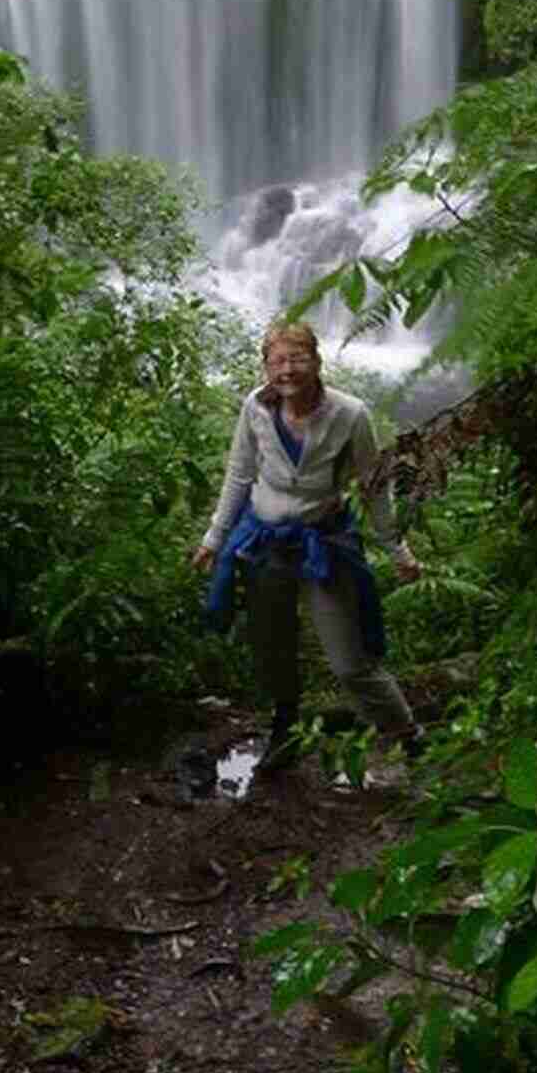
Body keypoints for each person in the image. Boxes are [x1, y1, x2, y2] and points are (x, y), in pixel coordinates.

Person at [191, 321, 420, 771]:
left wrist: (399, 551)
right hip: (265, 542)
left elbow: (373, 489)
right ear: (265, 367)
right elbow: (239, 473)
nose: (287, 370)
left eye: (297, 359)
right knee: (273, 647)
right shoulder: (255, 408)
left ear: (317, 363)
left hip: (324, 543)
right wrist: (214, 538)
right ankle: (285, 733)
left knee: (349, 659)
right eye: (277, 361)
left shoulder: (350, 414)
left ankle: (408, 735)